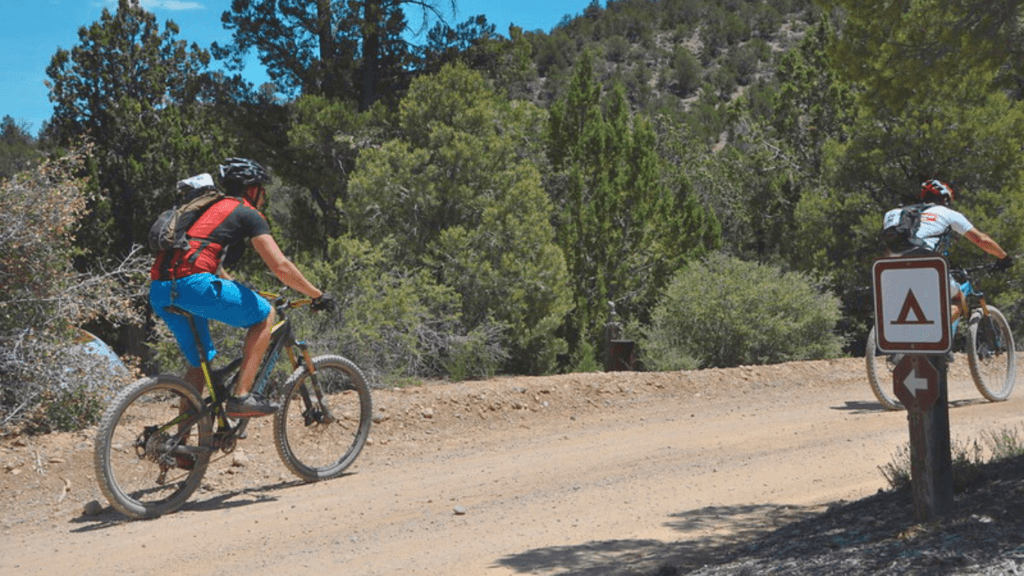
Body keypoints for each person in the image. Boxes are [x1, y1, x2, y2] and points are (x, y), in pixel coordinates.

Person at [149, 158, 333, 419]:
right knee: (264, 314)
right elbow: (280, 266)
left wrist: (231, 283)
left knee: (200, 364)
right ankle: (241, 397)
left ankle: (181, 445)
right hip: (194, 286)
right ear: (251, 188)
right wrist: (317, 294)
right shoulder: (247, 212)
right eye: (262, 187)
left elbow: (203, 256)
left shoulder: (208, 209)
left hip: (160, 289)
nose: (265, 194)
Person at [882, 179, 1013, 324]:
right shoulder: (946, 212)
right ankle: (933, 330)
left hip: (889, 267)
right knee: (960, 301)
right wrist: (1003, 257)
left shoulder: (898, 213)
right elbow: (981, 239)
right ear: (944, 199)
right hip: (926, 261)